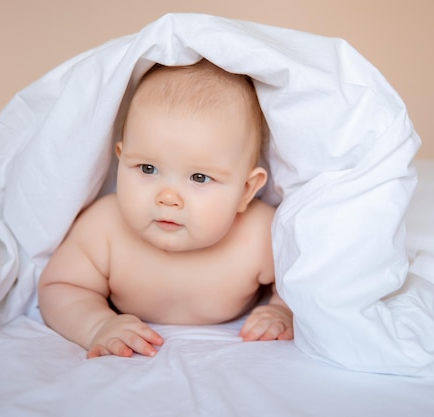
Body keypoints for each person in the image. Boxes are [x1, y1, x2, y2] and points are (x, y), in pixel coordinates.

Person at [38, 59, 293, 359]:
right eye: (147, 168)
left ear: (246, 191)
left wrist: (281, 310)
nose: (168, 198)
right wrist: (97, 325)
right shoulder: (105, 228)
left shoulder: (259, 236)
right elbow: (61, 286)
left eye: (199, 177)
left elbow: (304, 282)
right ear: (120, 160)